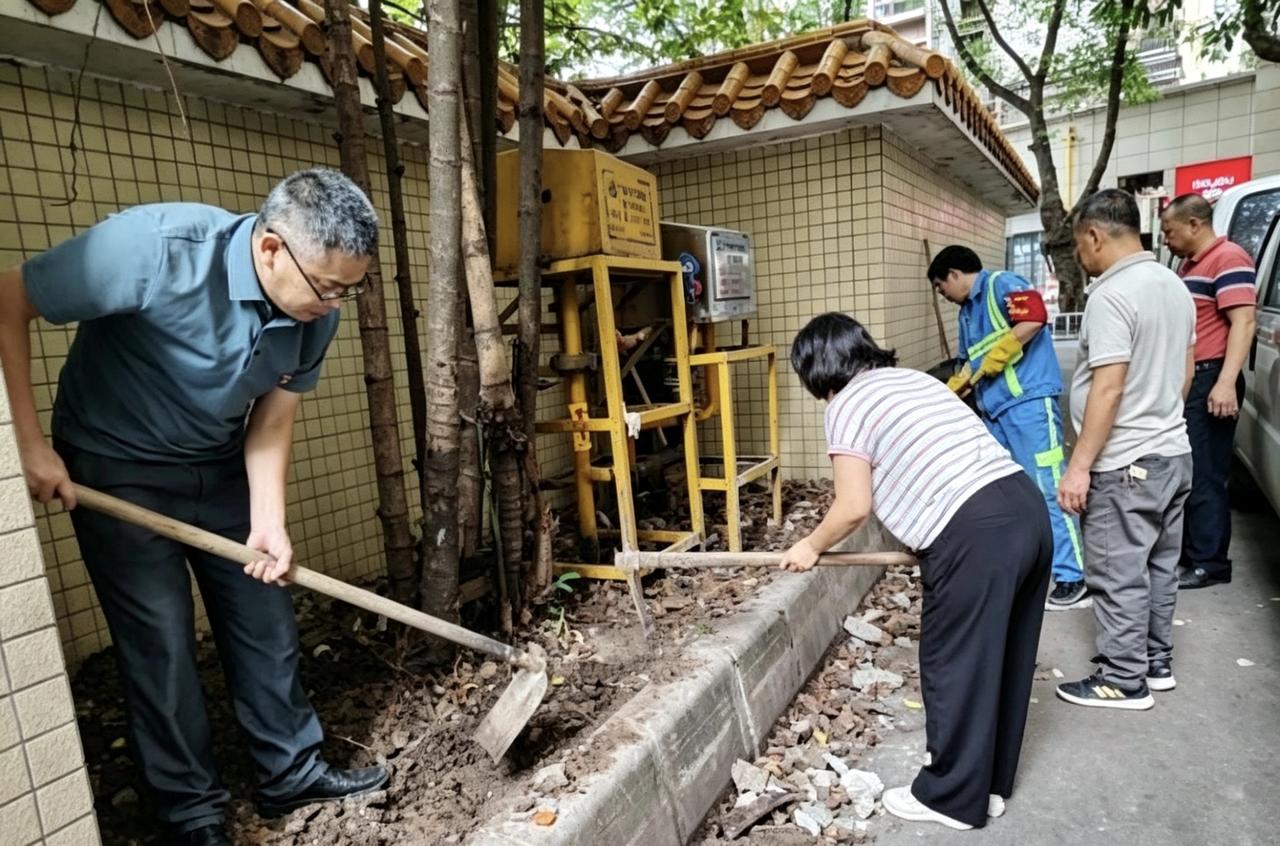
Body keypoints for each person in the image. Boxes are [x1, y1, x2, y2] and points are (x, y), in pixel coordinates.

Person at [0, 168, 389, 846]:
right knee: (161, 640)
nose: (334, 305)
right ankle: (192, 811)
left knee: (265, 615)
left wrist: (268, 519)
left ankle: (289, 771)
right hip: (114, 465)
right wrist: (28, 444)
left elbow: (272, 417)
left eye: (347, 290)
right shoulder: (153, 248)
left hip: (217, 461)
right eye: (327, 286)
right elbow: (8, 300)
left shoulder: (314, 310)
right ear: (270, 249)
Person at [783, 312, 1051, 831]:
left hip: (975, 532)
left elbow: (853, 505)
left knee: (953, 663)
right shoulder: (914, 381)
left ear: (817, 372)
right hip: (1025, 510)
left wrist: (810, 545)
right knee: (1004, 655)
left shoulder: (847, 405)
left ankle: (951, 798)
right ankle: (987, 786)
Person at [1056, 189, 1195, 711]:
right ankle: (1154, 662)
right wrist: (1159, 420)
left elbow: (1108, 387)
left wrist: (1080, 466)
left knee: (1117, 571)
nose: (1081, 258)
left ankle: (1122, 678)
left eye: (1078, 246)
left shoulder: (1111, 295)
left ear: (1094, 235)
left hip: (1127, 462)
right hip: (1173, 453)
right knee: (1160, 564)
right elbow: (1184, 373)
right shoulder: (1171, 283)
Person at [928, 245, 1088, 610]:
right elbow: (969, 365)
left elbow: (1033, 318)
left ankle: (1072, 576)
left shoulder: (1002, 284)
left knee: (1048, 487)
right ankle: (1032, 565)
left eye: (941, 287)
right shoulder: (967, 313)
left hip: (1029, 404)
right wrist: (953, 389)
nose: (943, 296)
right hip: (996, 413)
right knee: (1013, 493)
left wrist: (1001, 352)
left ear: (954, 274)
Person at [1160, 193, 1257, 590]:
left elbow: (1244, 322)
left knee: (1205, 474)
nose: (1166, 238)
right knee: (1189, 470)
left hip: (1212, 376)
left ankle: (1209, 562)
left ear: (1194, 225)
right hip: (1194, 378)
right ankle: (1191, 553)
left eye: (1169, 230)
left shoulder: (1228, 258)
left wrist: (1223, 382)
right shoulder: (1189, 265)